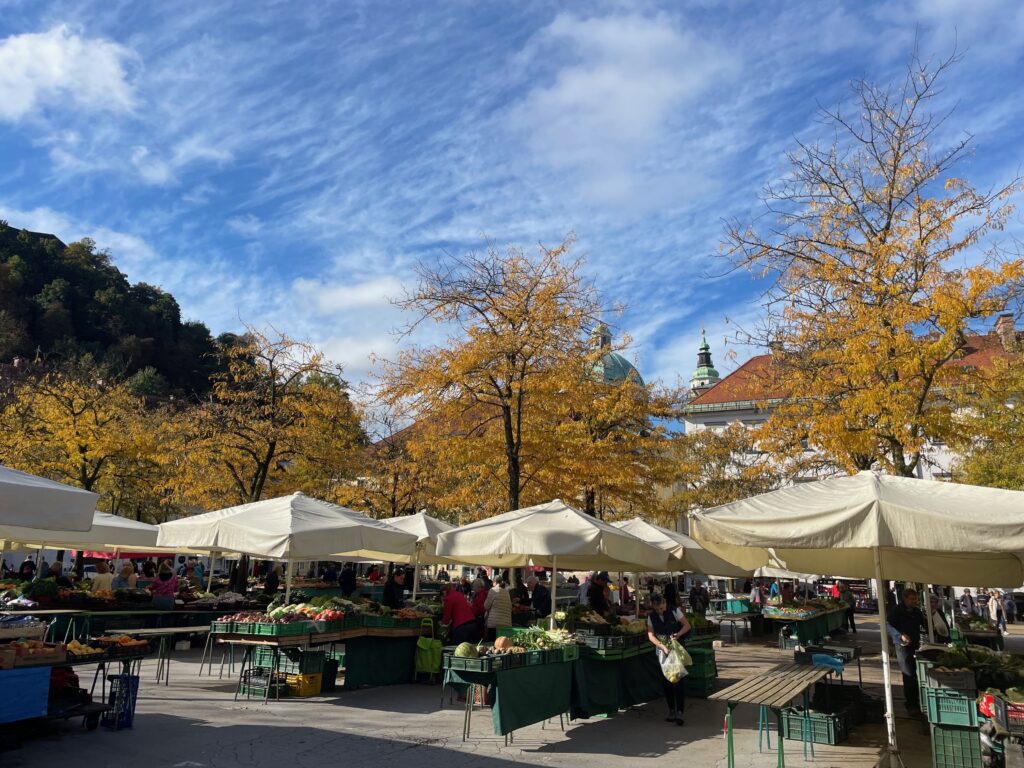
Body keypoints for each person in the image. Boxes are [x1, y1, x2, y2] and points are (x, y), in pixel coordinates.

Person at [646, 593, 692, 726]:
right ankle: (671, 709)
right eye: (657, 609)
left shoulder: (674, 610)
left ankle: (680, 711)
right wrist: (662, 647)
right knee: (667, 681)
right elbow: (651, 635)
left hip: (676, 649)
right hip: (662, 651)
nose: (660, 611)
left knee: (678, 680)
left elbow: (687, 625)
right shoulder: (651, 617)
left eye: (661, 608)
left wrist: (678, 634)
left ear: (665, 603)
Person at [886, 588, 928, 714]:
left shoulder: (917, 612)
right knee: (908, 674)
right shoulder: (896, 611)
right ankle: (911, 704)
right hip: (902, 646)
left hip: (915, 645)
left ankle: (917, 700)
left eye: (915, 599)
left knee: (916, 674)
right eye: (912, 599)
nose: (914, 601)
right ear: (904, 598)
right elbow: (889, 625)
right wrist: (900, 635)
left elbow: (925, 624)